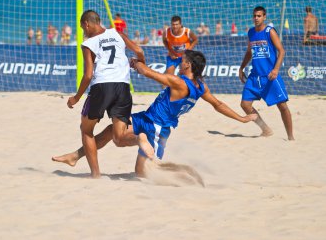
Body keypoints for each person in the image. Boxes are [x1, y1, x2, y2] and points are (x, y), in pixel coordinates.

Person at [53, 50, 257, 177]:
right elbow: (218, 104)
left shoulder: (180, 82)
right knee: (110, 131)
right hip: (147, 117)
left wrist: (135, 62)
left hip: (156, 129)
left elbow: (149, 73)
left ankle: (180, 170)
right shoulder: (201, 87)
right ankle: (76, 155)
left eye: (182, 60)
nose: (179, 62)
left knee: (142, 172)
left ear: (188, 65)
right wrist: (241, 118)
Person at [64, 10, 145, 178]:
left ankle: (95, 175)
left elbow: (88, 75)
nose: (83, 31)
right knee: (119, 137)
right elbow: (138, 49)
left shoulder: (89, 43)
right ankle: (140, 140)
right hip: (123, 87)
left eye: (82, 27)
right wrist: (139, 64)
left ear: (87, 24)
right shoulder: (117, 33)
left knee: (86, 130)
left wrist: (76, 98)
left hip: (102, 87)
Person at [238, 6, 294, 141]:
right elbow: (249, 52)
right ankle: (266, 129)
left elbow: (282, 51)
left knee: (282, 106)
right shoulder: (251, 32)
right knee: (245, 105)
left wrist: (275, 70)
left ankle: (290, 137)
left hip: (270, 76)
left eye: (259, 16)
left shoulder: (270, 31)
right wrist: (241, 68)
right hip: (254, 76)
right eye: (254, 16)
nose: (256, 18)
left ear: (264, 17)